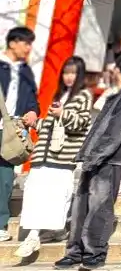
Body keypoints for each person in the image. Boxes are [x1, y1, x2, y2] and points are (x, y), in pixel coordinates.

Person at [55, 51, 121, 270]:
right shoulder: (118, 94)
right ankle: (74, 252)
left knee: (99, 208)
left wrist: (95, 157)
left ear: (118, 68)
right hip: (93, 158)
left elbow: (116, 134)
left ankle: (94, 254)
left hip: (108, 161)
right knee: (81, 207)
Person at [15, 57, 93, 258]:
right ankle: (53, 231)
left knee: (55, 195)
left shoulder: (83, 96)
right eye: (66, 72)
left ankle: (33, 237)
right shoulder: (61, 95)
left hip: (62, 157)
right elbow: (49, 127)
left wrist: (62, 113)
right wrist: (32, 124)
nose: (69, 77)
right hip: (43, 154)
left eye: (73, 73)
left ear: (80, 75)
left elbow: (81, 124)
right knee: (35, 191)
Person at [0, 26, 40, 242]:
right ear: (13, 43)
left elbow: (33, 98)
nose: (28, 48)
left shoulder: (25, 71)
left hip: (13, 130)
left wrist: (33, 111)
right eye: (25, 43)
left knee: (5, 176)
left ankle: (0, 223)